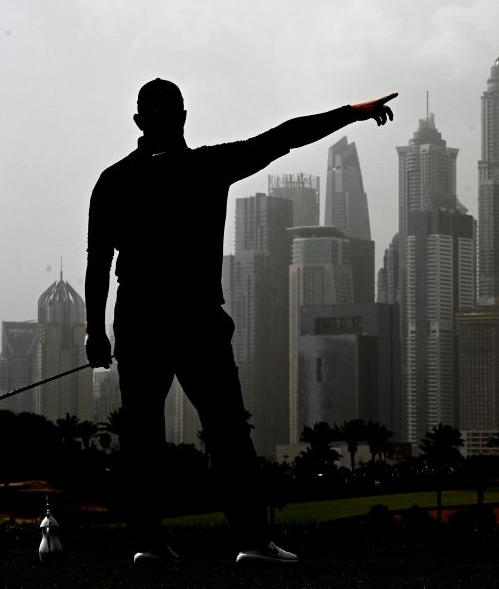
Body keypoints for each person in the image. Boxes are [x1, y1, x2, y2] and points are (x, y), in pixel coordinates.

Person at [84, 78, 396, 564]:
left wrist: (95, 331)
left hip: (140, 321)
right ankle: (251, 541)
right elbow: (283, 137)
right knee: (227, 432)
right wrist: (351, 113)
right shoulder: (207, 166)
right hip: (195, 320)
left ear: (140, 122)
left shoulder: (114, 180)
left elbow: (98, 263)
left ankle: (148, 544)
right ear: (182, 117)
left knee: (144, 437)